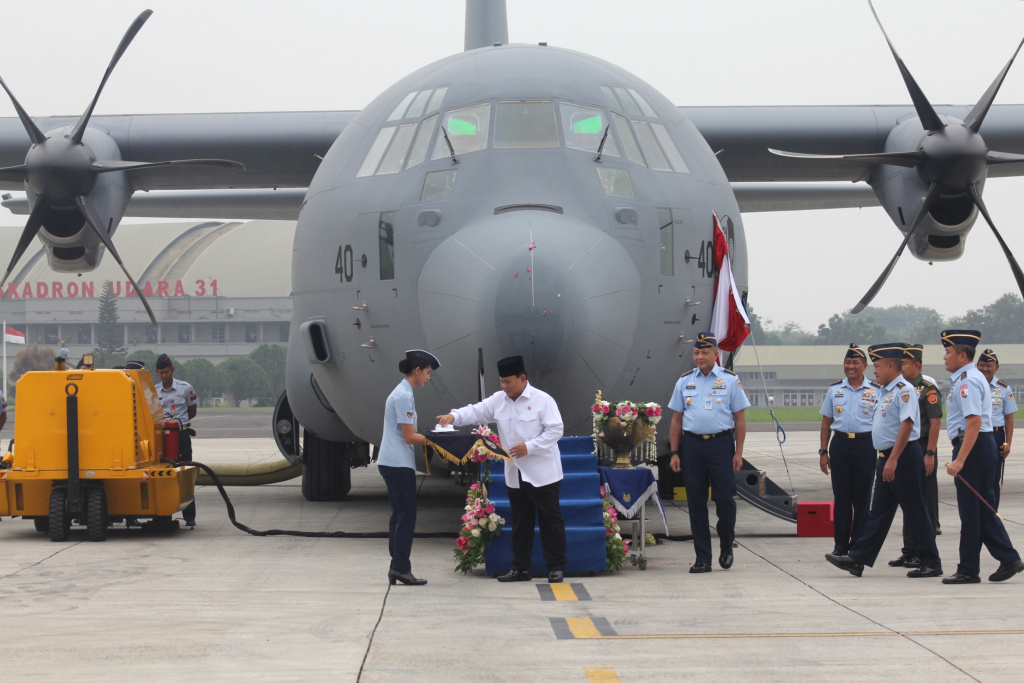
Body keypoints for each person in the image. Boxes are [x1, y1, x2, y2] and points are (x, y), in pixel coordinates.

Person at [437, 355, 566, 583]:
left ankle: (555, 567)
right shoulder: (499, 400)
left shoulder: (542, 400)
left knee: (550, 520)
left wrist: (530, 446)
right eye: (501, 382)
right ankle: (519, 569)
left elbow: (556, 430)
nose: (504, 387)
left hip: (542, 472)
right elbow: (476, 411)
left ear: (522, 378)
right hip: (515, 472)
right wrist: (453, 416)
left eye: (508, 382)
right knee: (520, 521)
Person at [825, 343, 941, 579]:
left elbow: (907, 426)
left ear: (891, 365)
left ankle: (931, 562)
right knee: (879, 512)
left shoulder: (904, 390)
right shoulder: (885, 391)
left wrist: (893, 459)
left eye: (877, 366)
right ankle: (857, 559)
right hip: (888, 458)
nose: (874, 371)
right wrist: (883, 457)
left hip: (903, 458)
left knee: (915, 510)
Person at [940, 330, 1024, 584]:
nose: (944, 357)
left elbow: (974, 421)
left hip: (973, 447)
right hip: (979, 445)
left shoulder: (967, 381)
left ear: (962, 355)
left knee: (972, 509)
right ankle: (1002, 560)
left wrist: (960, 460)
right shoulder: (971, 378)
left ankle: (970, 569)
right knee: (980, 509)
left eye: (948, 352)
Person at [667, 332, 750, 573]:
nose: (699, 357)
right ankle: (703, 557)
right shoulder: (684, 381)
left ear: (716, 354)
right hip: (692, 446)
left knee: (724, 499)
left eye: (704, 352)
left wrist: (739, 452)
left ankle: (726, 545)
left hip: (721, 445)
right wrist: (674, 452)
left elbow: (740, 419)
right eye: (696, 353)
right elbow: (676, 420)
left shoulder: (730, 381)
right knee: (695, 501)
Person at [379, 349, 439, 587]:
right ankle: (401, 568)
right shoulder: (403, 396)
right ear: (417, 371)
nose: (429, 377)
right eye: (428, 372)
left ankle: (397, 566)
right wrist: (436, 440)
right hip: (397, 463)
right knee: (406, 517)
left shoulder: (404, 392)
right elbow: (409, 436)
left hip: (392, 461)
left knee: (399, 515)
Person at [818, 344, 878, 557]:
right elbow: (826, 422)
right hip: (841, 445)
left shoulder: (876, 390)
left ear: (865, 366)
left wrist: (881, 453)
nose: (850, 366)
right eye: (847, 362)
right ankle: (840, 545)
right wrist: (823, 452)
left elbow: (882, 423)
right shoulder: (835, 390)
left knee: (862, 500)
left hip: (866, 445)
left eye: (855, 363)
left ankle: (858, 546)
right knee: (842, 499)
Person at [888, 344, 943, 568]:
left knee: (925, 502)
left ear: (917, 365)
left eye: (905, 365)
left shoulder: (927, 388)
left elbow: (936, 422)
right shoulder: (900, 388)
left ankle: (923, 552)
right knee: (908, 499)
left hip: (922, 448)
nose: (901, 369)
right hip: (906, 449)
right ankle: (909, 550)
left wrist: (930, 453)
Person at [156, 353, 199, 527]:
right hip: (161, 438)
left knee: (185, 473)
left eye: (166, 372)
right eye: (160, 373)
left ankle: (190, 517)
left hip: (181, 435)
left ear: (172, 370)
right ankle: (162, 513)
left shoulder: (185, 388)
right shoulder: (154, 390)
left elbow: (192, 411)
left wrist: (179, 426)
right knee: (162, 474)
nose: (164, 376)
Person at [976, 348, 1016, 509]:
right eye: (982, 365)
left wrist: (1008, 443)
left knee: (993, 478)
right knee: (976, 477)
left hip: (996, 435)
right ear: (976, 365)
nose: (985, 369)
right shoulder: (971, 385)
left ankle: (992, 514)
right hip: (976, 435)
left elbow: (1009, 418)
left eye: (989, 365)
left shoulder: (1004, 388)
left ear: (996, 367)